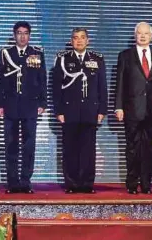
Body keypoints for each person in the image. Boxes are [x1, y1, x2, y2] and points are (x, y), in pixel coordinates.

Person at [115, 22, 152, 195]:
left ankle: (146, 184)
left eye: (146, 33)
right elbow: (120, 84)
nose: (143, 36)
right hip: (132, 109)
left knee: (150, 148)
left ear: (151, 35)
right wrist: (118, 107)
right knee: (132, 148)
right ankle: (132, 183)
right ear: (135, 35)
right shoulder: (125, 55)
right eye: (140, 33)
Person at [52, 28, 107, 194]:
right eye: (76, 38)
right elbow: (56, 88)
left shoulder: (97, 59)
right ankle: (72, 184)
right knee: (70, 150)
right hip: (69, 111)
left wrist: (102, 109)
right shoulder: (62, 59)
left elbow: (102, 87)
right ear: (71, 41)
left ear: (88, 41)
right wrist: (58, 110)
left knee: (88, 151)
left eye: (83, 38)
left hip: (90, 111)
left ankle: (87, 184)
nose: (79, 41)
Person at [0, 21, 46, 194]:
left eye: (25, 33)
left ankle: (25, 181)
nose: (22, 36)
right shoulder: (6, 54)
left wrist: (43, 103)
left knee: (28, 146)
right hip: (10, 106)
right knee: (10, 145)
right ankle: (12, 183)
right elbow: (0, 80)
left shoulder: (37, 53)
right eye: (19, 33)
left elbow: (42, 79)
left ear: (29, 35)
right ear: (14, 35)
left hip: (30, 106)